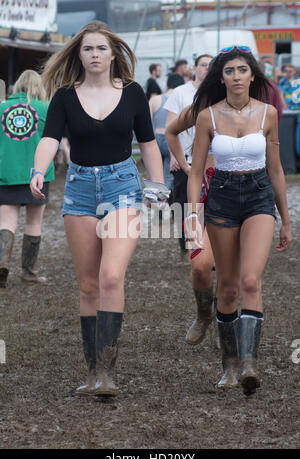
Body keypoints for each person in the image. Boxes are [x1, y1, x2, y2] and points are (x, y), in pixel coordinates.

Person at [30, 20, 165, 398]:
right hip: (79, 190)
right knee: (89, 285)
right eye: (87, 49)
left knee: (110, 275)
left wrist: (156, 185)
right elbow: (50, 139)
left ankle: (107, 374)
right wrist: (38, 171)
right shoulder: (64, 97)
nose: (94, 55)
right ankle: (93, 374)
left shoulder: (135, 93)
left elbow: (149, 143)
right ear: (79, 54)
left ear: (113, 53)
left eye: (100, 49)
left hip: (123, 185)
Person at [182, 45, 292, 395]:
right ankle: (229, 365)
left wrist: (286, 219)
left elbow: (276, 170)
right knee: (227, 287)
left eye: (242, 70)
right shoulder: (207, 117)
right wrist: (193, 216)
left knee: (250, 281)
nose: (236, 77)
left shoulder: (269, 114)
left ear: (252, 75)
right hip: (222, 201)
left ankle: (249, 364)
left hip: (259, 198)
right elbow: (196, 171)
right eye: (229, 71)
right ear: (221, 77)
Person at [165, 54, 216, 347]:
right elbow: (171, 129)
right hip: (195, 175)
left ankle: (226, 318)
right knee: (199, 263)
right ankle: (204, 313)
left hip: (235, 190)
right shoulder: (188, 98)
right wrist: (180, 161)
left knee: (231, 266)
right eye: (205, 64)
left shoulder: (250, 106)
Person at [0, 69, 55, 288]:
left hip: (7, 172)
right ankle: (28, 272)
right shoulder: (45, 108)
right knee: (34, 222)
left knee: (5, 222)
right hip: (38, 173)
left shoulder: (1, 108)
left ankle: (2, 263)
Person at [149, 72, 185, 191]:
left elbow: (147, 123)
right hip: (171, 139)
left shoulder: (155, 99)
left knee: (155, 172)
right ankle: (166, 198)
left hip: (155, 139)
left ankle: (156, 202)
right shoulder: (180, 99)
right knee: (168, 174)